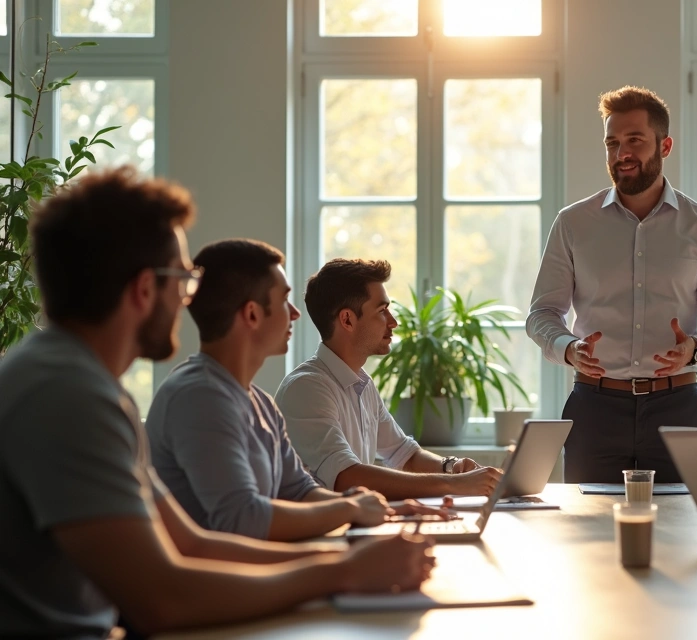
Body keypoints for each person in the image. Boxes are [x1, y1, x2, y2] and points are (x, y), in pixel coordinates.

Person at [0, 168, 434, 639]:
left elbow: (189, 543)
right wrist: (343, 570)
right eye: (184, 279)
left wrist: (347, 556)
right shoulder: (67, 396)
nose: (190, 299)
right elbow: (161, 599)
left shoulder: (84, 385)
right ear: (145, 288)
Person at [146, 239, 448, 541]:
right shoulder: (200, 397)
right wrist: (350, 514)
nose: (295, 313)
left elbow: (300, 491)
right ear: (252, 314)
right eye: (283, 301)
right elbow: (243, 520)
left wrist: (385, 511)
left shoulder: (260, 403)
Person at [527, 85, 697, 483]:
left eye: (634, 141)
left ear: (665, 146)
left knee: (682, 536)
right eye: (612, 143)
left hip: (677, 409)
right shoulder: (573, 223)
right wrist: (568, 349)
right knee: (589, 536)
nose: (620, 154)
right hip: (593, 408)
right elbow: (542, 313)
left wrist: (695, 349)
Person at [276, 258, 502, 499]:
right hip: (322, 534)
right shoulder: (307, 388)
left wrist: (453, 467)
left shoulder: (362, 384)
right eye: (382, 311)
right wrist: (453, 485)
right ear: (347, 320)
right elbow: (346, 478)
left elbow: (405, 454)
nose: (393, 322)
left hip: (353, 526)